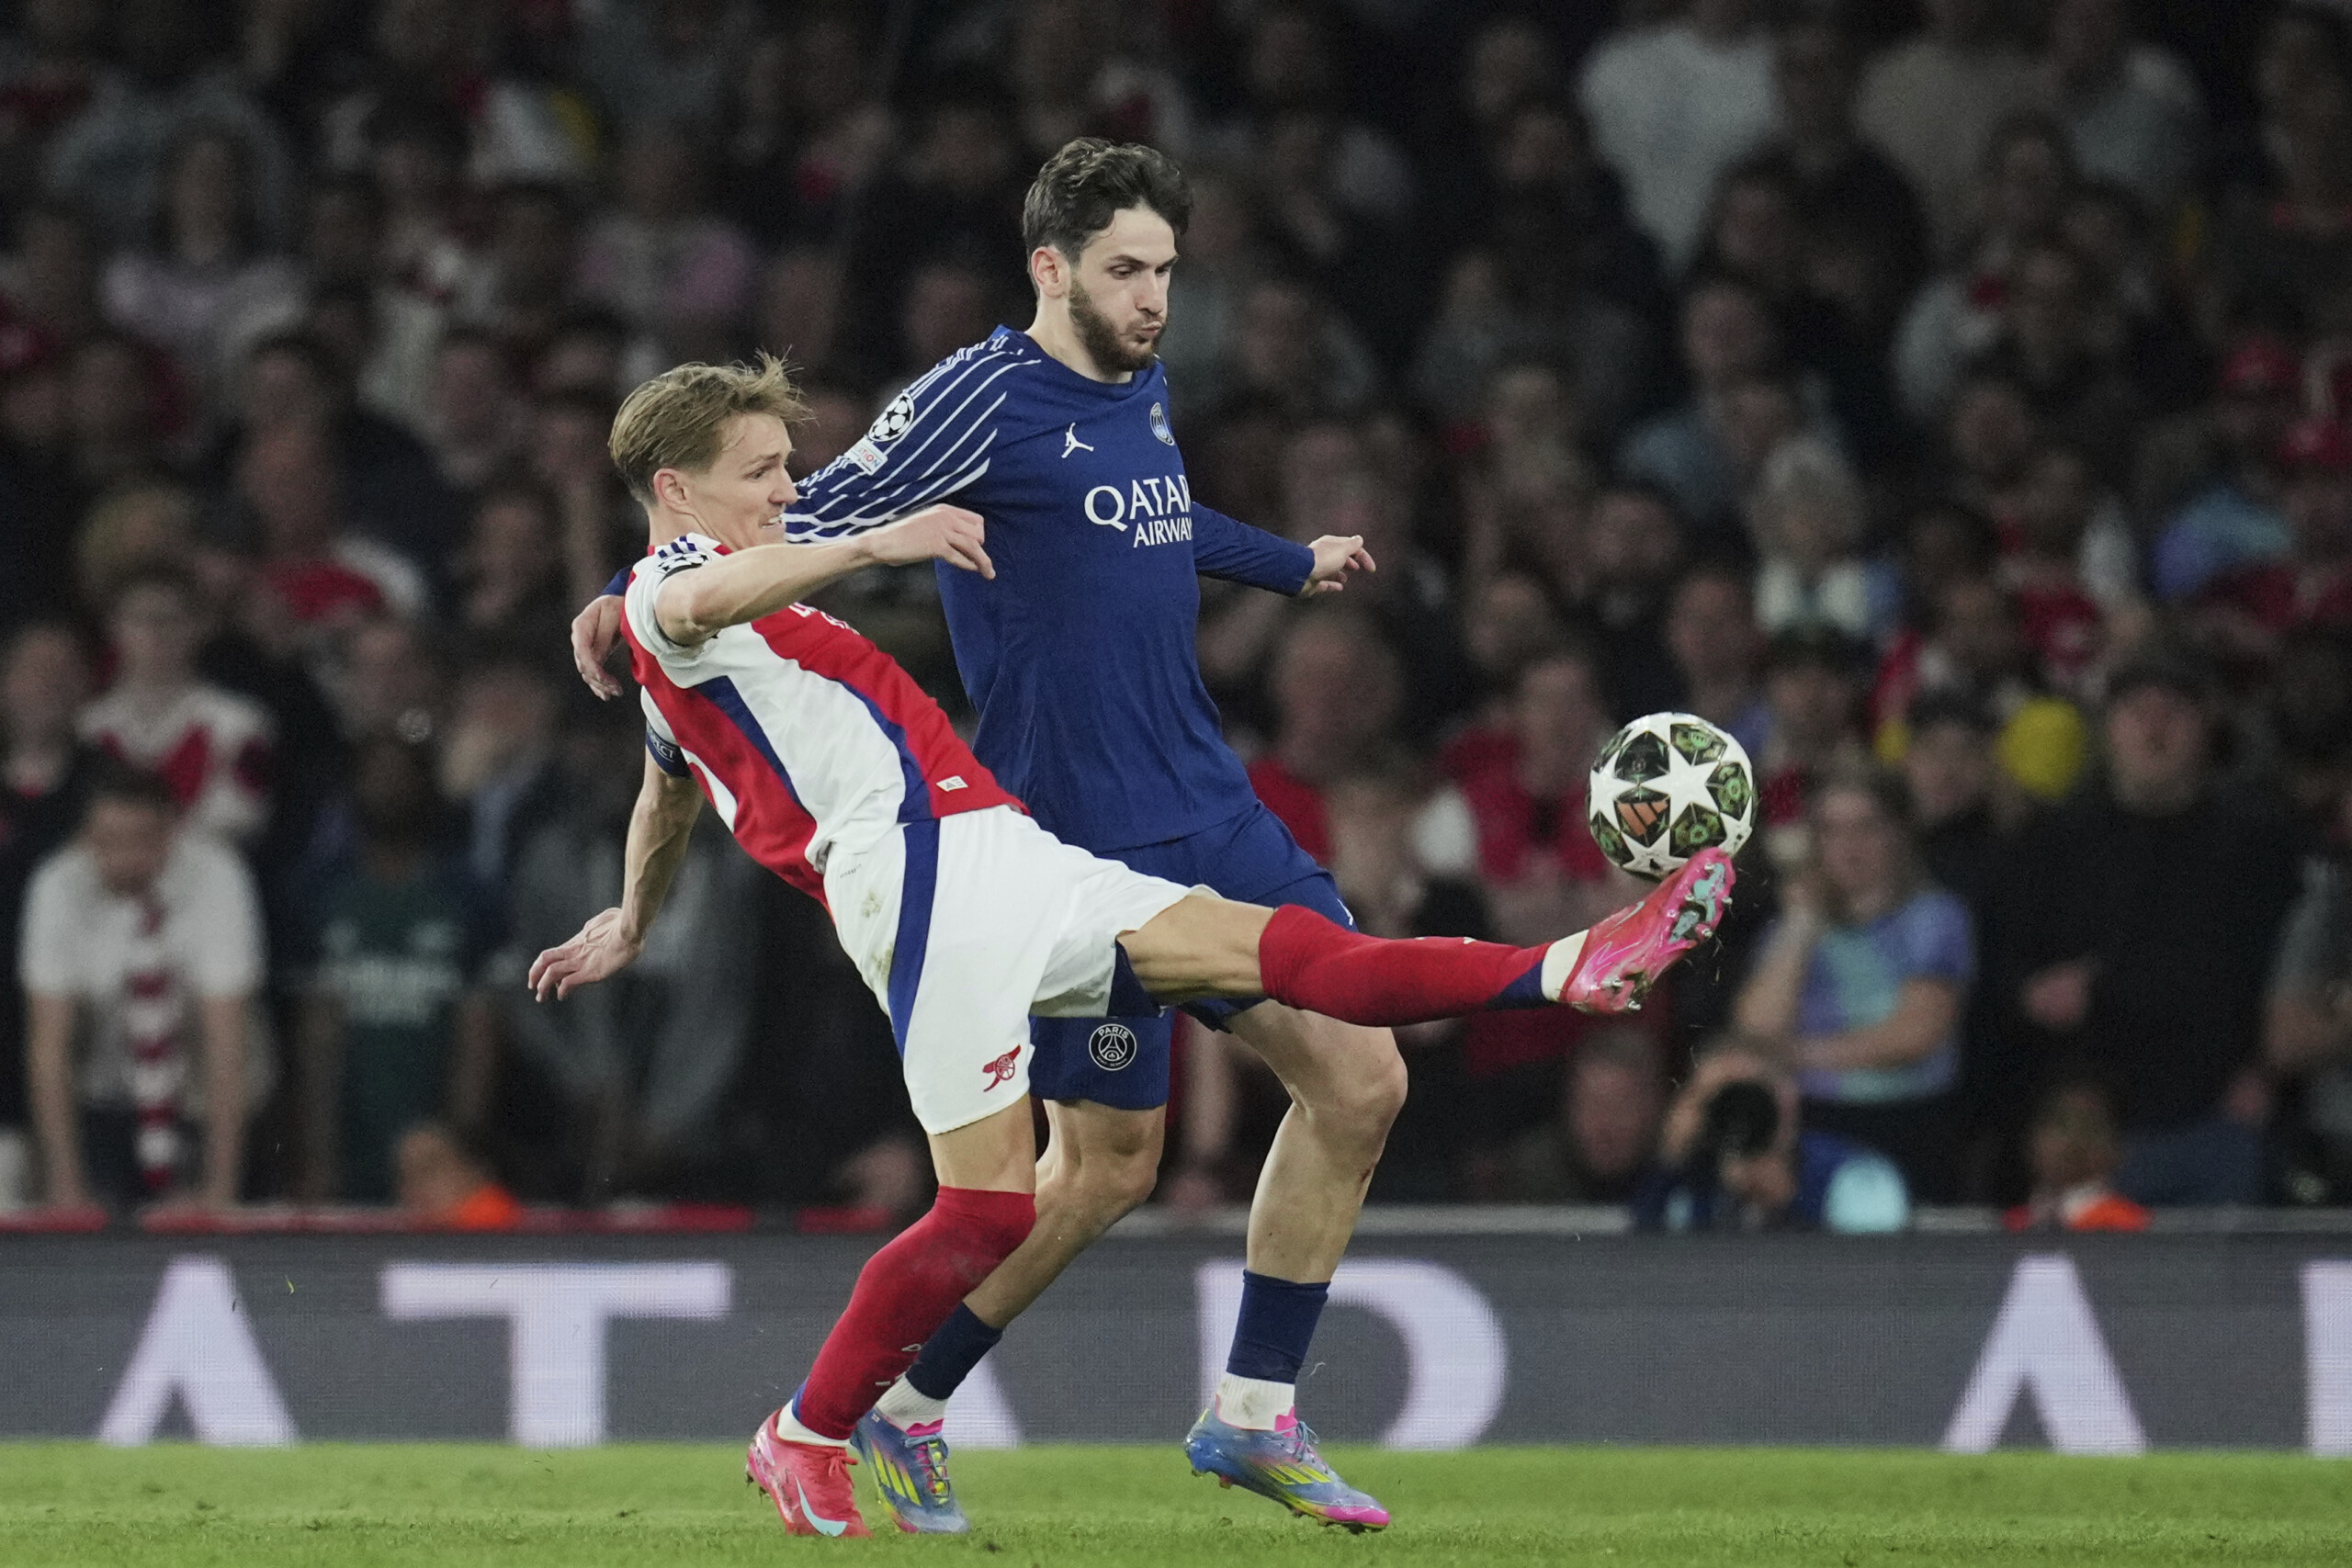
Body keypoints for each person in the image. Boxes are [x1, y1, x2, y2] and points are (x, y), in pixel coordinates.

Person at [528, 355, 1736, 1540]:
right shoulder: (679, 583)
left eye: (789, 467)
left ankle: (1571, 966)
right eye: (762, 471)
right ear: (678, 490)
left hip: (1002, 853)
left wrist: (631, 915)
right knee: (991, 1214)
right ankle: (807, 1428)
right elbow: (676, 606)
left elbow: (668, 779)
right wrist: (869, 544)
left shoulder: (709, 623)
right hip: (925, 894)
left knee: (1287, 957)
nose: (788, 488)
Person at [560, 140, 1403, 1532]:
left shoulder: (1142, 386)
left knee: (1362, 1086)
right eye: (1127, 271)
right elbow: (786, 523)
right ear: (1052, 267)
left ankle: (1252, 1411)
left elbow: (1151, 515)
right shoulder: (972, 396)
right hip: (1069, 840)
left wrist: (1287, 560)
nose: (1154, 299)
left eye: (1168, 273)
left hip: (1208, 798)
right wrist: (627, 589)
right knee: (1104, 1171)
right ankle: (899, 1402)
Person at [21, 768, 263, 1213]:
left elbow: (226, 1043)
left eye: (142, 841)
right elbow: (48, 1049)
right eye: (107, 841)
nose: (125, 858)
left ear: (172, 832)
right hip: (107, 1107)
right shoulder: (57, 886)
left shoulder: (218, 879)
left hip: (201, 1108)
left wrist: (218, 1193)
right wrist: (67, 1189)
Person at [1733, 766, 1973, 1201]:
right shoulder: (1789, 927)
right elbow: (1758, 1029)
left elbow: (1914, 1034)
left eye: (1866, 828)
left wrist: (1797, 1055)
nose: (1850, 848)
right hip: (1810, 1124)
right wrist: (1801, 927)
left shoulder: (1934, 917)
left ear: (1897, 834)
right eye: (1832, 832)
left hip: (1907, 1122)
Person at [1632, 1040, 1910, 1233]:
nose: (1737, 1114)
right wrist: (1670, 1157)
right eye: (1722, 1101)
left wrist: (1785, 1197)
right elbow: (1644, 1265)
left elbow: (1868, 1271)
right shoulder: (1693, 1186)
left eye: (1748, 1096)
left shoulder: (1855, 1178)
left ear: (1786, 1101)